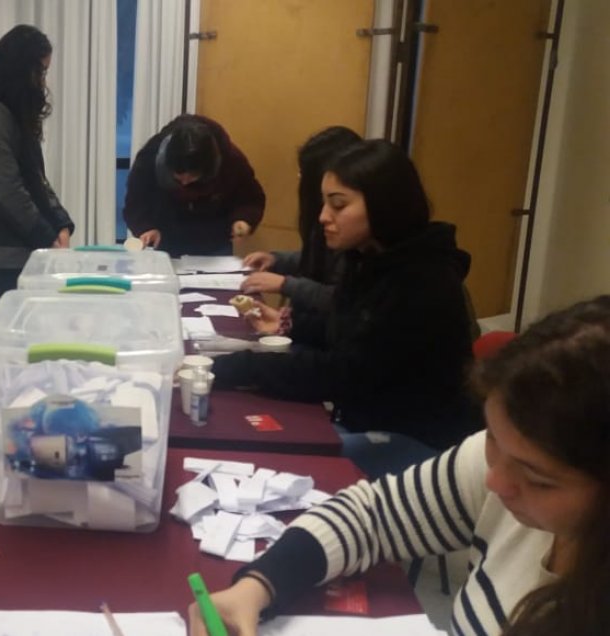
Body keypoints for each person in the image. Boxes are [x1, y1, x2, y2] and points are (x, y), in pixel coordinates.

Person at [190, 295, 610, 636]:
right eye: (493, 439)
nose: (495, 480)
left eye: (538, 480)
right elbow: (373, 514)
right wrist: (258, 586)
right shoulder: (509, 469)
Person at [212, 140, 479, 477]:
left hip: (420, 442)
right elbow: (353, 329)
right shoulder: (369, 257)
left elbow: (344, 372)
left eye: (338, 205)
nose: (323, 217)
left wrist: (240, 367)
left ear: (384, 206)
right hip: (366, 417)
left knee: (272, 462)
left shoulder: (422, 282)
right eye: (324, 203)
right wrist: (288, 325)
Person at [0, 24, 74, 308]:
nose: (42, 82)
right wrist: (46, 235)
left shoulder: (11, 111)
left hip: (28, 245)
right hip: (7, 251)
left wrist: (60, 222)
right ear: (20, 69)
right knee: (16, 336)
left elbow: (35, 177)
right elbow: (6, 190)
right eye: (40, 72)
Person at [240, 126, 362, 312]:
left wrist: (286, 284)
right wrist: (277, 260)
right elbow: (318, 259)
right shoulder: (326, 221)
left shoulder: (358, 238)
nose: (324, 216)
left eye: (338, 204)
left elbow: (342, 299)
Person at [123, 114, 266, 257]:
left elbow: (250, 198)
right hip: (163, 240)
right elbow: (135, 203)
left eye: (192, 177)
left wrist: (243, 219)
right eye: (178, 177)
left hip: (214, 244)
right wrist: (146, 228)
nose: (185, 182)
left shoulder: (231, 160)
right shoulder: (150, 156)